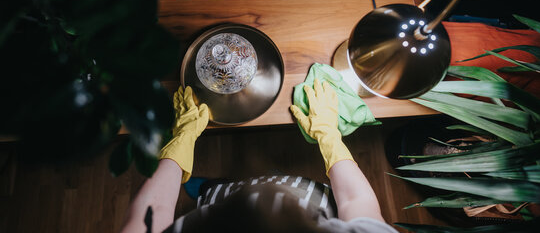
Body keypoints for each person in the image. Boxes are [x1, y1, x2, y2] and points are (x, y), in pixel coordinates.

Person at [120, 79, 398, 233]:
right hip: (307, 195)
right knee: (285, 184)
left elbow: (154, 211)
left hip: (219, 204)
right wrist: (329, 135)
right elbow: (356, 202)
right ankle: (218, 188)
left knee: (216, 191)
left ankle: (210, 191)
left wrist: (182, 139)